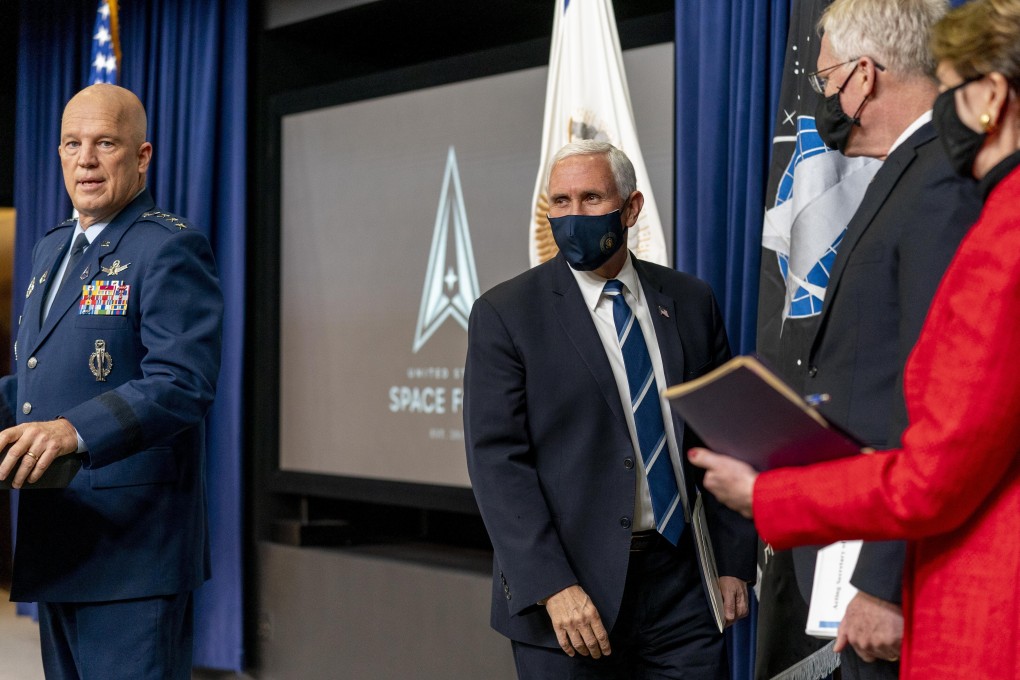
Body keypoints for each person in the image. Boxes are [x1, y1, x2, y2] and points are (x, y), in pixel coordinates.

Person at [689, 1, 1020, 676]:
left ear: (990, 94)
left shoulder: (959, 193)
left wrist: (781, 506)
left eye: (952, 85)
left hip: (945, 576)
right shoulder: (919, 178)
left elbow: (934, 434)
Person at [464, 140, 756, 679]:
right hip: (572, 598)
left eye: (591, 198)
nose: (573, 215)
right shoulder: (506, 314)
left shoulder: (691, 301)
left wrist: (734, 560)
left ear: (631, 208)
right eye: (561, 201)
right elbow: (497, 463)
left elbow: (726, 437)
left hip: (684, 589)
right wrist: (552, 586)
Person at [769, 0, 982, 676]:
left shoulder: (942, 178)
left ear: (865, 74)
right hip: (858, 544)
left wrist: (884, 580)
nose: (825, 98)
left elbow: (937, 394)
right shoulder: (909, 171)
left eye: (826, 78)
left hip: (893, 571)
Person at [0, 84, 223, 679]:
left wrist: (74, 430)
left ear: (142, 156)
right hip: (60, 539)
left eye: (105, 144)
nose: (86, 161)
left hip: (133, 552)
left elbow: (182, 382)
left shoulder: (168, 248)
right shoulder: (52, 249)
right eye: (72, 144)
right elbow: (39, 382)